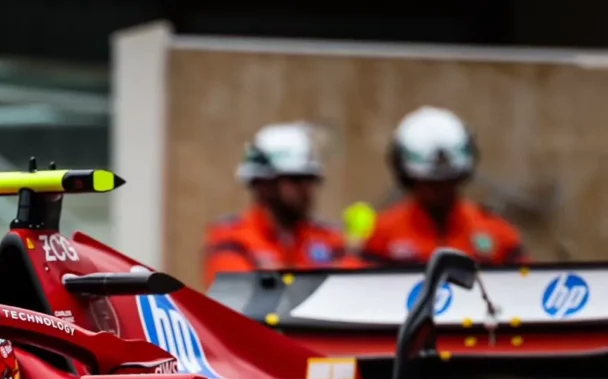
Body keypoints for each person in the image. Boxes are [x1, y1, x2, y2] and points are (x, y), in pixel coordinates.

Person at [359, 106, 525, 266]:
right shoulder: (383, 235)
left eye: (447, 181)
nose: (438, 191)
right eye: (428, 183)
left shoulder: (498, 234)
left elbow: (526, 286)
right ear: (408, 178)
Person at [202, 122, 353, 288]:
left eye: (310, 180)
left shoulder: (329, 238)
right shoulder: (233, 238)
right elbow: (237, 298)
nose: (307, 189)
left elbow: (354, 291)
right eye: (296, 179)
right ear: (264, 184)